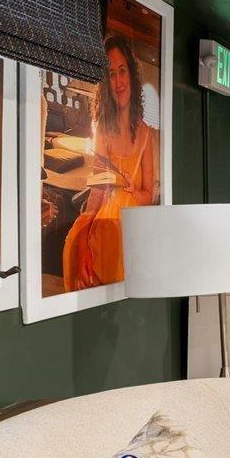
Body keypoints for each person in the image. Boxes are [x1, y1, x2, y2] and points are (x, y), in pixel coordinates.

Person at [61, 35, 158, 289]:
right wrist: (86, 222)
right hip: (106, 218)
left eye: (122, 70)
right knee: (74, 243)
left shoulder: (146, 134)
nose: (118, 81)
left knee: (112, 243)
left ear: (132, 75)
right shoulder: (102, 128)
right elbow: (98, 186)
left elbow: (149, 195)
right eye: (111, 74)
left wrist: (130, 190)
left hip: (131, 222)